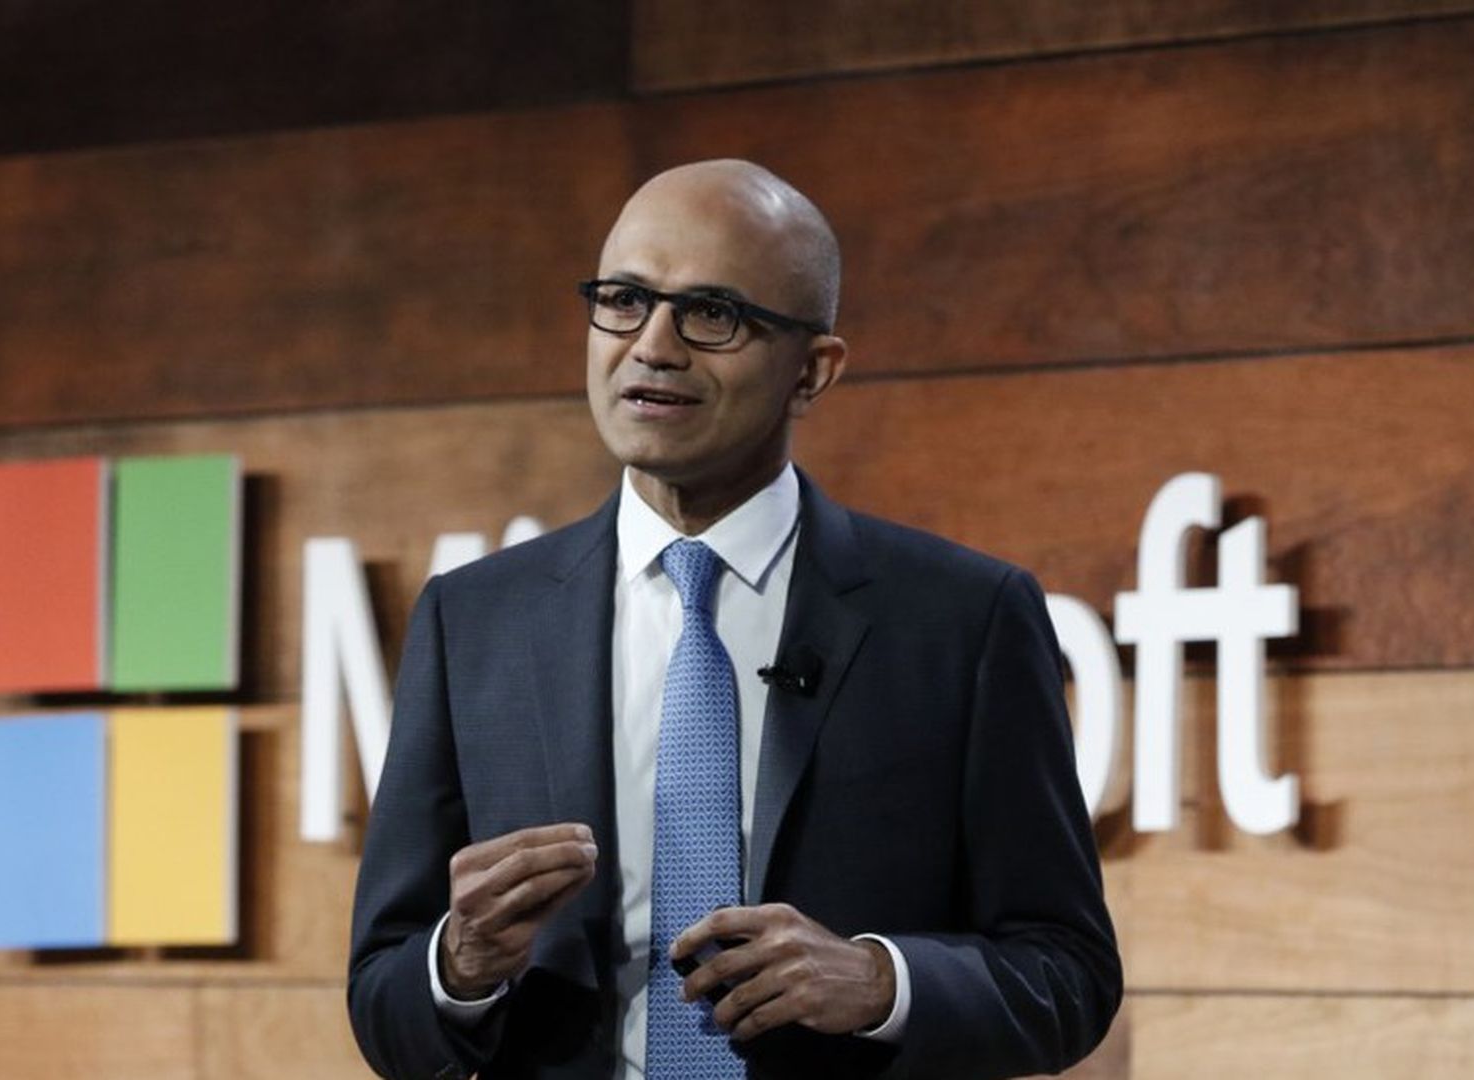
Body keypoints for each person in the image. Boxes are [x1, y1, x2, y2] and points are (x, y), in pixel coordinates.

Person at [347, 159, 1120, 1080]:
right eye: (624, 300)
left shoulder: (962, 619)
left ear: (813, 372)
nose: (653, 346)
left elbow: (1068, 975)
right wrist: (459, 965)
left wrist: (882, 982)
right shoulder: (474, 620)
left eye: (713, 314)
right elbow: (383, 1002)